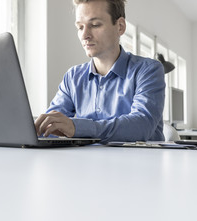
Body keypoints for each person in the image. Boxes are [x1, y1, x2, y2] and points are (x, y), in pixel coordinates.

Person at [34, 0, 165, 143]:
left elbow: (141, 126)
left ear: (120, 27)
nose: (85, 35)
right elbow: (49, 127)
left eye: (95, 25)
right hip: (85, 163)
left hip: (140, 162)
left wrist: (77, 127)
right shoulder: (73, 77)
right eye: (80, 27)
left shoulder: (148, 70)